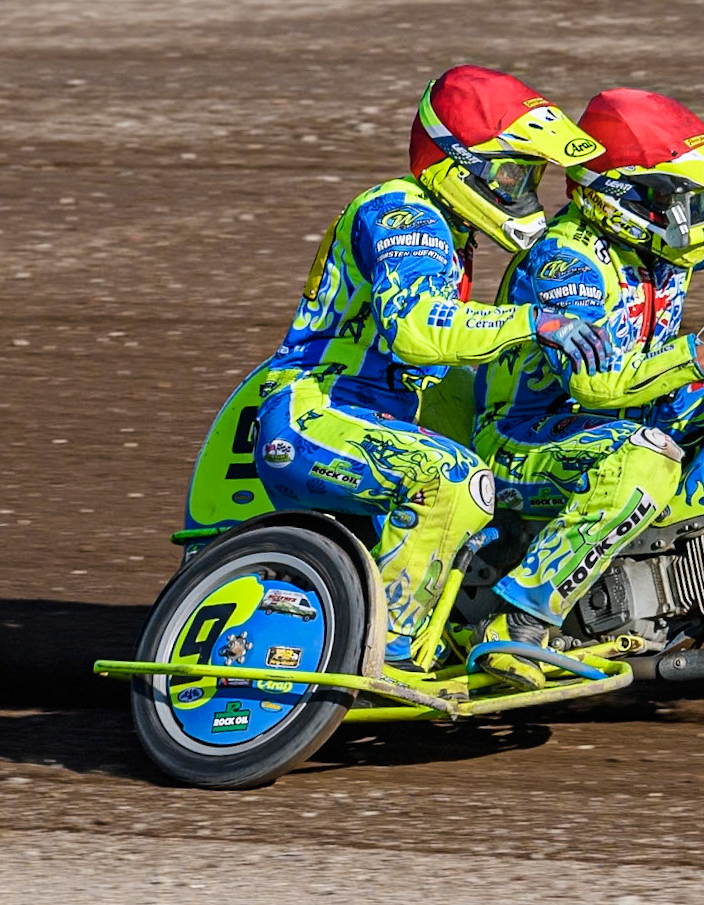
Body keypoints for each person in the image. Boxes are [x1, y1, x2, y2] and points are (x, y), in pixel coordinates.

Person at [471, 87, 704, 688]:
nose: (694, 214)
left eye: (694, 197)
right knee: (643, 461)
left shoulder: (664, 237)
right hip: (529, 442)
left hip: (642, 408)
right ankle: (516, 620)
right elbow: (596, 385)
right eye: (677, 197)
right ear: (620, 197)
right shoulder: (567, 264)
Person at [253, 65, 609, 665]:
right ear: (458, 163)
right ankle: (383, 650)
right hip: (315, 412)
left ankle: (472, 621)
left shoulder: (448, 230)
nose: (525, 193)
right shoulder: (404, 214)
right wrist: (536, 322)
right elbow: (418, 331)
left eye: (532, 177)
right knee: (447, 478)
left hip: (368, 418)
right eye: (511, 174)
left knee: (501, 459)